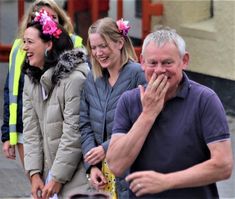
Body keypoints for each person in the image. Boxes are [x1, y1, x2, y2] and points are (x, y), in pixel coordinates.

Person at [106, 27, 233, 198]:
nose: (159, 70)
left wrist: (166, 181)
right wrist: (148, 114)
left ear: (184, 60)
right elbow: (116, 165)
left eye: (167, 63)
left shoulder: (205, 100)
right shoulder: (129, 101)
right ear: (142, 62)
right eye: (152, 63)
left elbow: (223, 166)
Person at [1, 0, 83, 166]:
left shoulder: (74, 44)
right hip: (27, 128)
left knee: (57, 181)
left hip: (60, 130)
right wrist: (8, 135)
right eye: (44, 18)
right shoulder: (20, 48)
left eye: (54, 17)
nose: (50, 22)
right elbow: (11, 91)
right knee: (35, 182)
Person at [22, 9, 90, 199]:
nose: (23, 48)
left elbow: (73, 133)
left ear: (49, 45)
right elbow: (30, 130)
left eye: (29, 42)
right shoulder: (31, 78)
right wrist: (34, 174)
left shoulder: (74, 79)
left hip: (75, 178)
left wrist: (57, 179)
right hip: (47, 178)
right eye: (24, 42)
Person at [79, 17, 146, 199]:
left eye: (103, 46)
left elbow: (143, 122)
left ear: (119, 43)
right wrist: (92, 166)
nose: (98, 53)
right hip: (103, 174)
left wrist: (106, 148)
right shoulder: (91, 79)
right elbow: (84, 124)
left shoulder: (137, 75)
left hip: (131, 169)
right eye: (93, 48)